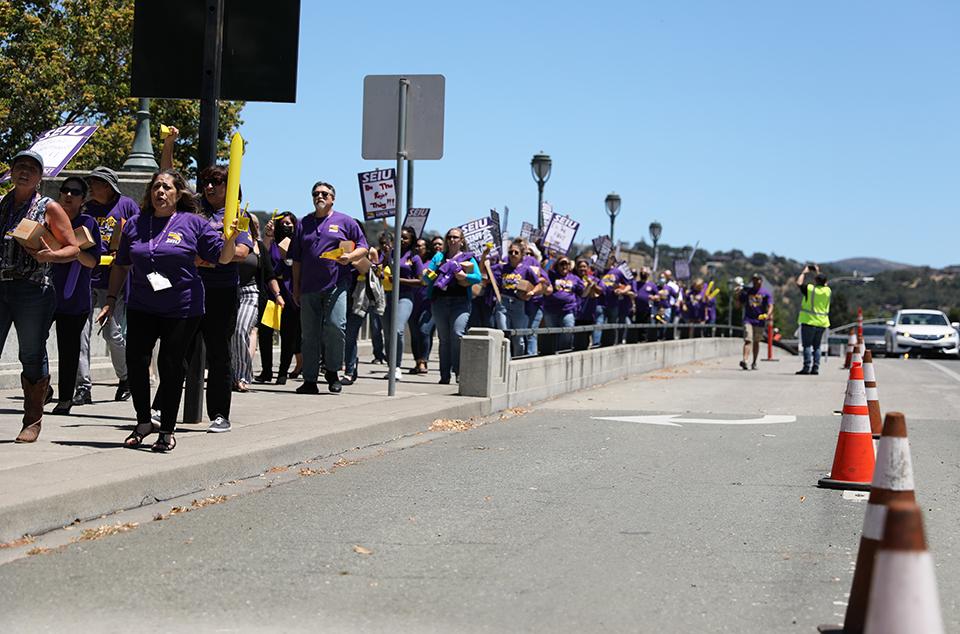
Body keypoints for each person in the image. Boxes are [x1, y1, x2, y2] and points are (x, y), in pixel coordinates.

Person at [98, 169, 240, 452]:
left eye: (167, 187)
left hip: (182, 306)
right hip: (142, 303)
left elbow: (222, 258)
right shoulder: (135, 224)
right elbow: (122, 264)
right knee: (137, 362)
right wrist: (111, 299)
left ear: (178, 194)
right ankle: (143, 422)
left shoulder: (193, 223)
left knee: (171, 365)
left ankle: (167, 429)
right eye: (156, 187)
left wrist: (230, 237)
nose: (160, 192)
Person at [0, 151, 81, 442]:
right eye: (19, 166)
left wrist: (51, 254)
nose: (24, 171)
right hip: (1, 286)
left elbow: (73, 248)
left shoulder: (49, 207)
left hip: (33, 289)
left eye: (31, 168)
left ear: (40, 176)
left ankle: (32, 420)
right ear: (11, 172)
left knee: (31, 353)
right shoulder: (2, 203)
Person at [290, 181, 368, 394]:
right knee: (310, 333)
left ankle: (333, 372)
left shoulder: (346, 221)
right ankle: (310, 379)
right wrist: (295, 288)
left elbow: (364, 247)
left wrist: (349, 257)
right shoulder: (302, 223)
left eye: (324, 193)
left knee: (335, 326)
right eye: (315, 193)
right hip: (308, 286)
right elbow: (296, 260)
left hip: (337, 284)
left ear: (333, 198)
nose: (319, 196)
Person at [73, 166, 139, 406]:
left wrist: (121, 250)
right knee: (82, 335)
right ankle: (83, 386)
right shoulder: (86, 208)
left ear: (109, 186)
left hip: (114, 280)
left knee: (114, 335)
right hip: (86, 277)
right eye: (90, 182)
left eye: (96, 182)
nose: (92, 186)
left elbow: (138, 235)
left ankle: (125, 378)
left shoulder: (127, 205)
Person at [50, 176, 101, 415]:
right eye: (64, 190)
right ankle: (41, 386)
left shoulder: (87, 224)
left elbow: (92, 262)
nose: (68, 195)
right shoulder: (48, 218)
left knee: (68, 348)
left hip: (73, 296)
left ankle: (65, 399)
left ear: (83, 199)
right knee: (32, 343)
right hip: (44, 291)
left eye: (75, 192)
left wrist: (71, 250)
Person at [423, 228, 480, 383]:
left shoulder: (468, 258)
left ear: (462, 240)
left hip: (460, 302)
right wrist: (430, 274)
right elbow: (427, 277)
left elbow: (478, 277)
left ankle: (459, 372)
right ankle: (444, 375)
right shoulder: (439, 257)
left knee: (457, 334)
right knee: (444, 339)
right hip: (440, 301)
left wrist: (465, 276)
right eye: (449, 237)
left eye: (456, 237)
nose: (452, 239)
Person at [232, 214, 281, 392]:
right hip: (230, 291)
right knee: (229, 335)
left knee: (241, 330)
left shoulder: (259, 247)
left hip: (251, 293)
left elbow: (269, 274)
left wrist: (278, 294)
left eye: (252, 223)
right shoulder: (231, 240)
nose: (248, 224)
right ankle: (232, 374)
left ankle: (243, 375)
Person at [257, 211, 301, 384]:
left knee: (288, 334)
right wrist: (268, 235)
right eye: (283, 223)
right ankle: (266, 370)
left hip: (290, 291)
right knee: (266, 332)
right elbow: (264, 255)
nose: (287, 226)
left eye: (290, 223)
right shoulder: (272, 241)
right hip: (271, 291)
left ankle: (283, 371)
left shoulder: (297, 243)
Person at [383, 226, 424, 379]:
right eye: (400, 236)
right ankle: (390, 365)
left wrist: (399, 280)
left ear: (411, 240)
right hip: (387, 296)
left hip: (405, 297)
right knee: (387, 333)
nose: (402, 240)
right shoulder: (390, 253)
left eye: (405, 237)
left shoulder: (414, 257)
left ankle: (397, 366)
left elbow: (421, 281)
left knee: (397, 330)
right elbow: (380, 269)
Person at [496, 238, 542, 357]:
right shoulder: (502, 268)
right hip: (503, 303)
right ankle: (505, 361)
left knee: (518, 338)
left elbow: (539, 285)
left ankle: (517, 361)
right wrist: (485, 255)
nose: (513, 254)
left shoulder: (526, 269)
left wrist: (531, 293)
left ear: (522, 254)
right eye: (511, 252)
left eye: (516, 252)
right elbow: (484, 271)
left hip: (519, 304)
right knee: (504, 335)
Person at [795, 264, 831, 375]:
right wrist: (818, 272)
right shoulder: (827, 291)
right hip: (822, 323)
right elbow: (824, 283)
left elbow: (799, 283)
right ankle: (815, 368)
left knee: (807, 346)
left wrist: (804, 272)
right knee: (817, 347)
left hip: (809, 322)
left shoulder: (810, 289)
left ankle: (806, 367)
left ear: (815, 280)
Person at [543, 256, 584, 352]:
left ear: (570, 266)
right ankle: (552, 354)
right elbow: (543, 271)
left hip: (568, 310)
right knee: (551, 335)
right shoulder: (551, 275)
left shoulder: (575, 278)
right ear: (557, 266)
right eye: (562, 264)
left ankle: (564, 353)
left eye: (567, 264)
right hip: (551, 311)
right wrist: (550, 258)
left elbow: (582, 292)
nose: (564, 266)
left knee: (567, 332)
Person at [736, 273, 773, 370]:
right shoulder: (748, 291)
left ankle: (754, 362)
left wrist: (768, 314)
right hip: (748, 319)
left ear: (761, 281)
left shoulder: (766, 293)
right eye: (754, 280)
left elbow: (770, 305)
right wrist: (738, 294)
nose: (756, 282)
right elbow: (739, 304)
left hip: (760, 320)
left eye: (757, 280)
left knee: (756, 342)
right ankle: (745, 360)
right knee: (748, 339)